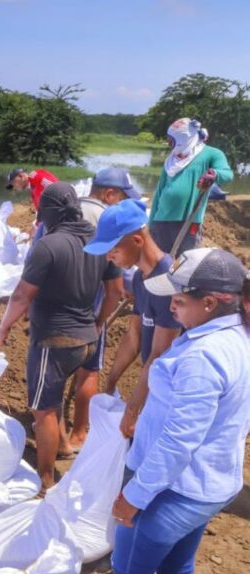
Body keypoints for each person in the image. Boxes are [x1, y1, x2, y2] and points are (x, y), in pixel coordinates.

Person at [111, 247, 250, 574]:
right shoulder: (238, 336)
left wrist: (135, 495)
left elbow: (178, 441)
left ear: (210, 303)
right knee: (176, 570)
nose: (170, 304)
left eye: (179, 299)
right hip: (209, 483)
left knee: (131, 573)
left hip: (174, 488)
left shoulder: (204, 355)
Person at [0, 182, 123, 490]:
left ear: (50, 213)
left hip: (54, 340)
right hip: (87, 340)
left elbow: (23, 295)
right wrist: (98, 322)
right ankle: (65, 446)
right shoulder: (99, 241)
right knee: (60, 395)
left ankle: (46, 481)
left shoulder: (48, 245)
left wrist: (4, 326)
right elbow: (116, 292)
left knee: (44, 411)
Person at [84, 199, 182, 438]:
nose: (109, 257)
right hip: (154, 385)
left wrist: (132, 409)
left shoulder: (168, 282)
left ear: (137, 241)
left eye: (113, 249)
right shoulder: (140, 279)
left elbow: (159, 355)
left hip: (173, 392)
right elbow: (134, 335)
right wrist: (110, 383)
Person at [71, 167, 142, 445]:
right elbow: (117, 277)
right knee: (88, 370)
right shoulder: (108, 220)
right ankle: (79, 432)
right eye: (121, 197)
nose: (121, 204)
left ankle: (53, 437)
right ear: (109, 193)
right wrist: (101, 319)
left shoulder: (64, 208)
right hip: (90, 310)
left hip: (56, 310)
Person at [149, 118, 233, 256]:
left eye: (172, 140)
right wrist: (151, 224)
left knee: (185, 264)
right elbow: (159, 193)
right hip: (161, 221)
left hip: (189, 221)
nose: (169, 144)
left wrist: (214, 174)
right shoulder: (171, 160)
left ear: (184, 138)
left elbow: (227, 174)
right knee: (161, 264)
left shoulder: (210, 154)